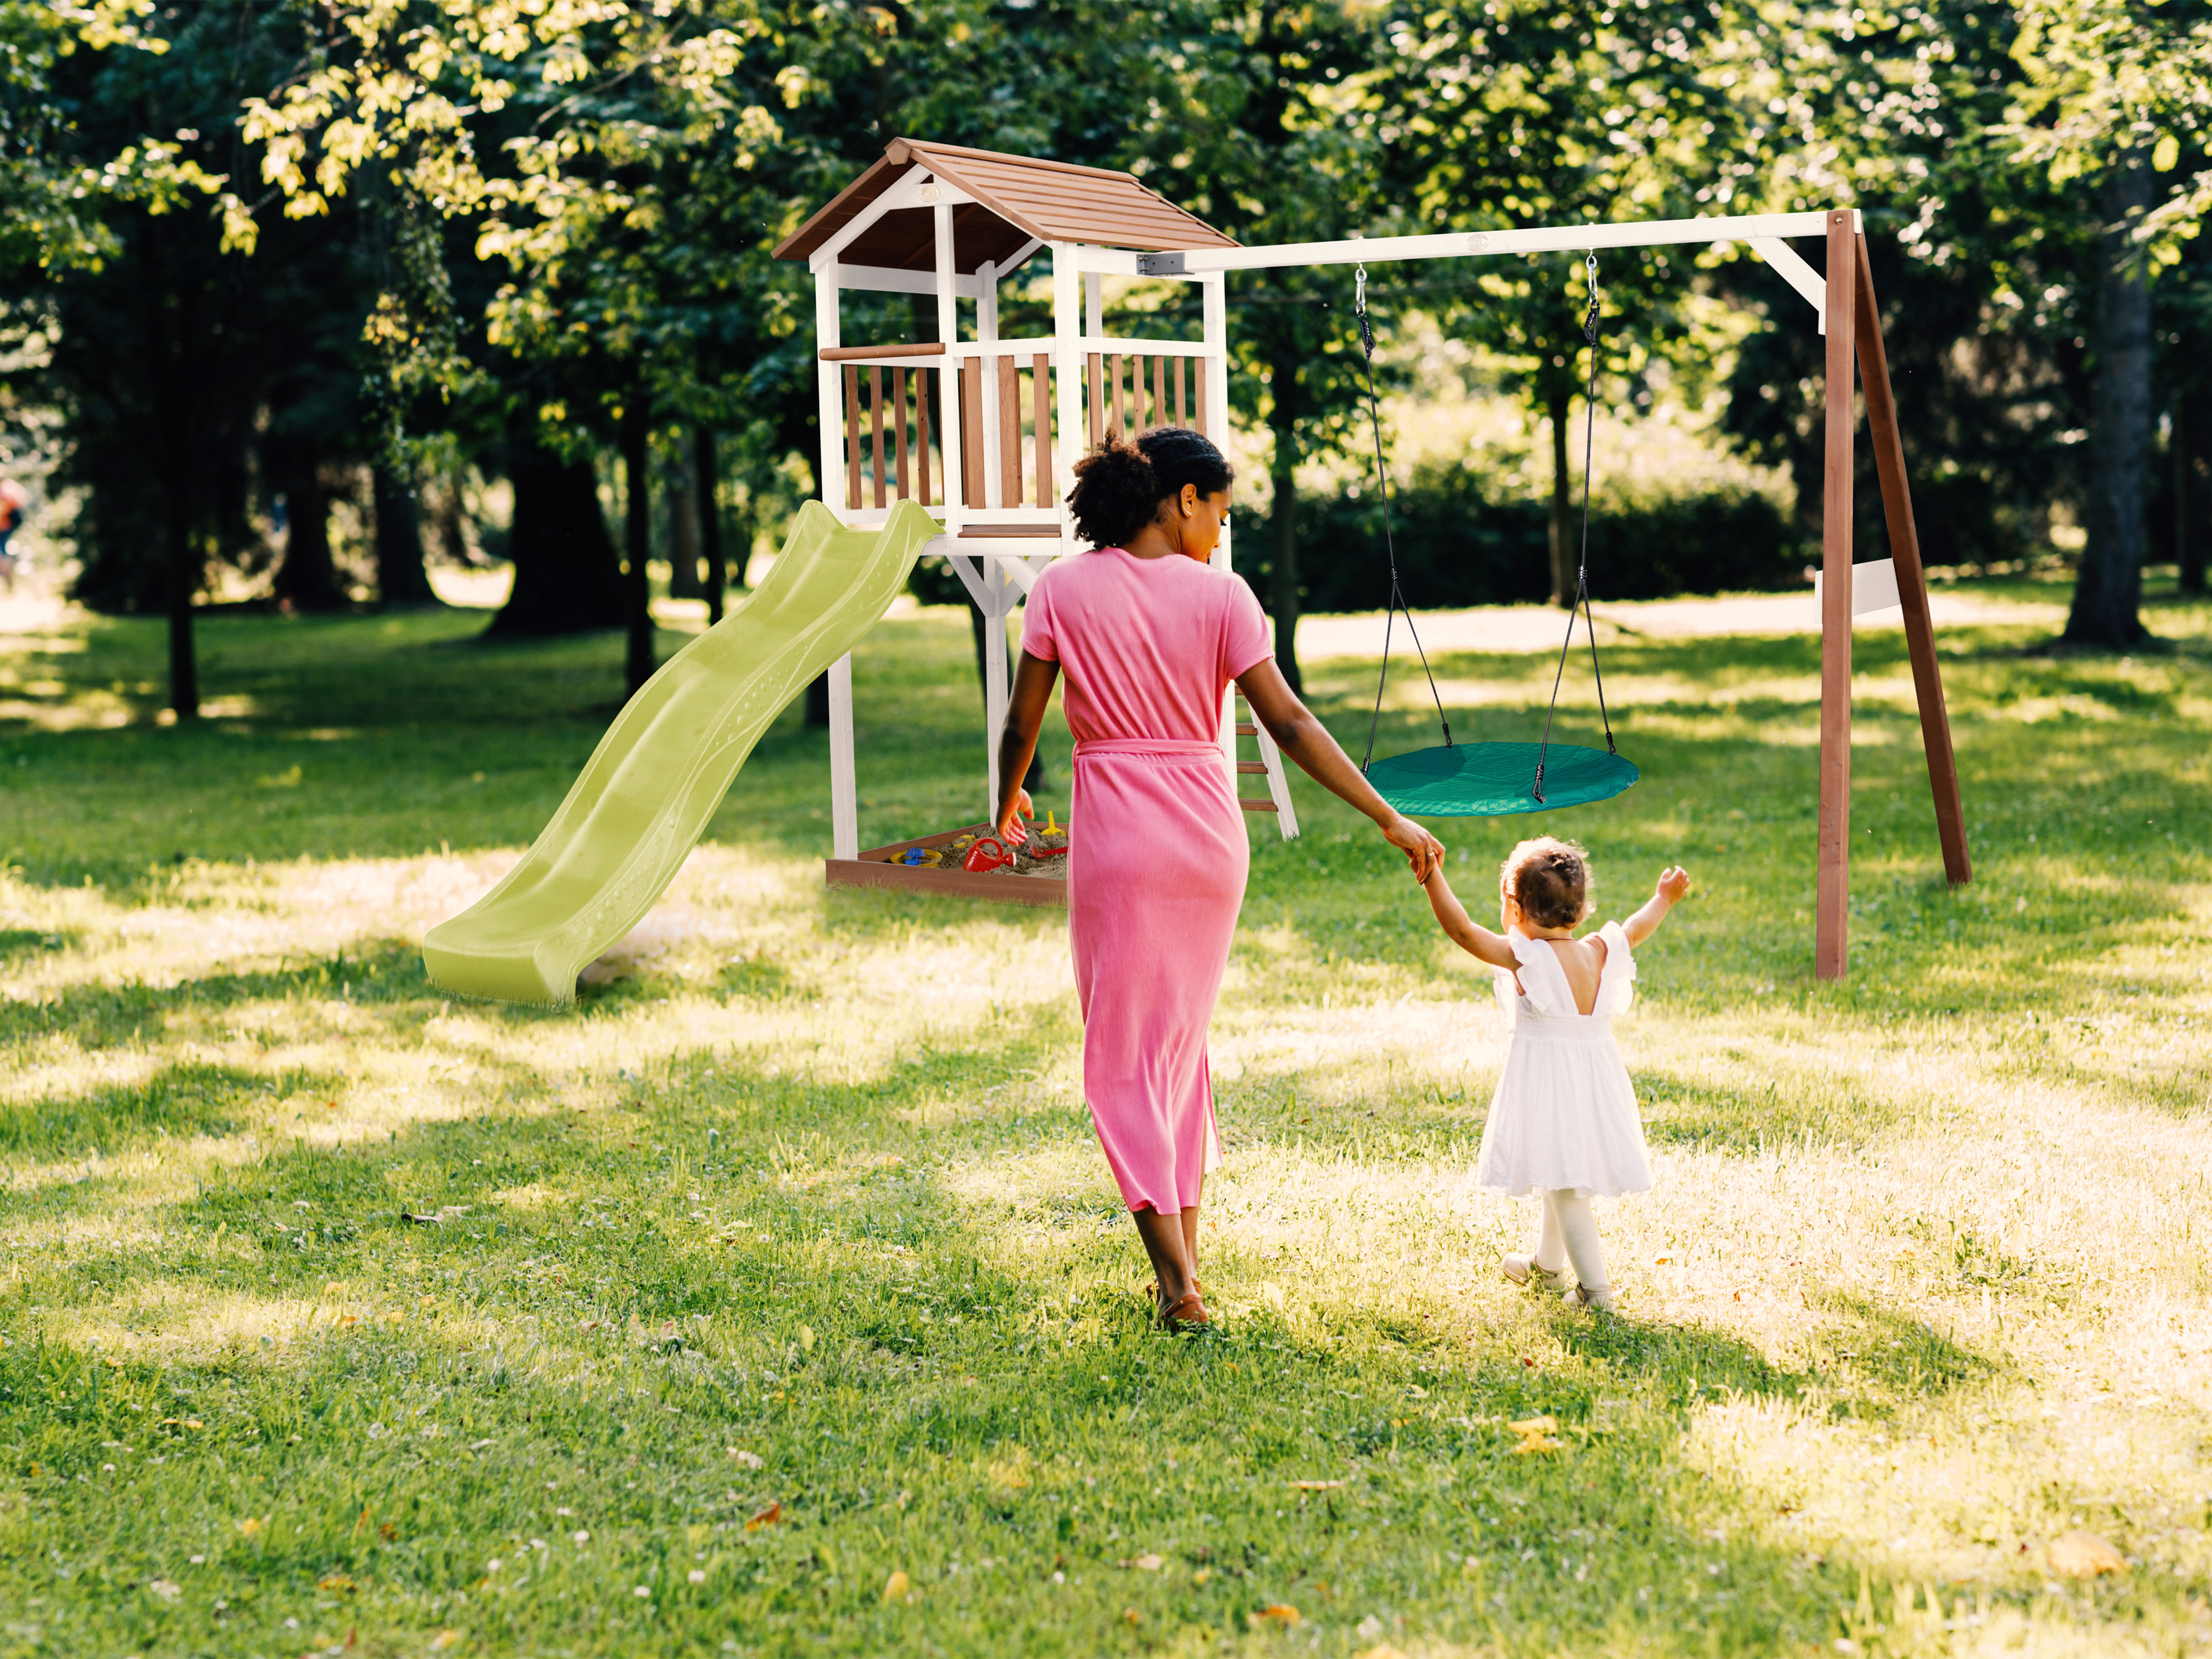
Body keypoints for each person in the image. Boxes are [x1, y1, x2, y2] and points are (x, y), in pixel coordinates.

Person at [994, 428, 1444, 1332]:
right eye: (1221, 514)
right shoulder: (1225, 598)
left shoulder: (1060, 589)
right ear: (1183, 499)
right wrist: (1385, 813)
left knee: (1124, 1059)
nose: (1221, 534)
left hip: (1120, 839)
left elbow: (1022, 725)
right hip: (1208, 840)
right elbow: (1289, 723)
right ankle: (1185, 1270)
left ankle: (1176, 1286)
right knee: (1176, 1052)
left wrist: (1003, 808)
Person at [1418, 837, 1691, 1311]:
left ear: (1515, 909)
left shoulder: (1527, 958)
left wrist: (1431, 875)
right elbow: (1636, 927)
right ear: (1581, 911)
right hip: (1594, 1082)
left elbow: (1462, 931)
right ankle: (1547, 1266)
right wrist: (1663, 898)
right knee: (1556, 1170)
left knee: (1566, 1188)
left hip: (1551, 1085)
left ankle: (1595, 1292)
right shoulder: (1599, 950)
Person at [0, 478, 27, 595]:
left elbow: (5, 509)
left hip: (7, 524)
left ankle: (6, 575)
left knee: (2, 550)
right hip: (10, 523)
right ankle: (7, 577)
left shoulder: (4, 491)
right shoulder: (8, 486)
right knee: (3, 549)